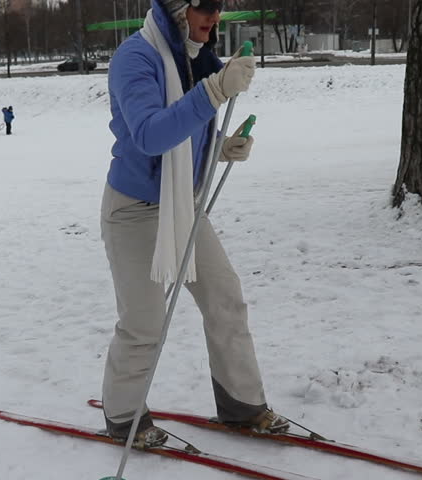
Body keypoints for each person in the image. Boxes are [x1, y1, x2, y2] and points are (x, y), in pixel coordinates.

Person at [100, 0, 288, 448]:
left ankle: (242, 405)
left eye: (220, 7)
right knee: (143, 322)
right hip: (134, 210)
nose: (215, 16)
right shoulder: (136, 58)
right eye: (205, 6)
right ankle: (124, 417)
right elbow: (149, 134)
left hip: (182, 204)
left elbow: (186, 134)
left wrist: (221, 147)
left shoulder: (193, 58)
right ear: (178, 9)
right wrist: (213, 92)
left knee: (225, 298)